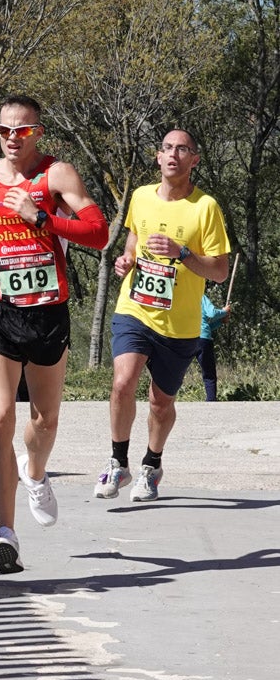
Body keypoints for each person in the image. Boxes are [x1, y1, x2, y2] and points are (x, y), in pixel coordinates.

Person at [0, 95, 109, 574]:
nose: (10, 138)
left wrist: (42, 217)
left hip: (47, 313)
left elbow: (98, 232)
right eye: (3, 129)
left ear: (37, 133)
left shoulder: (55, 176)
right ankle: (5, 532)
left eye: (21, 131)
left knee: (44, 422)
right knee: (0, 417)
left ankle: (36, 472)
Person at [94, 129, 231, 503]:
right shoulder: (140, 197)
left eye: (183, 149)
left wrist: (183, 253)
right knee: (123, 382)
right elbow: (133, 244)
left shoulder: (206, 208)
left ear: (194, 160)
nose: (174, 154)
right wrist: (126, 261)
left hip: (180, 324)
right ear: (158, 157)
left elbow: (219, 271)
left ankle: (151, 466)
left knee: (160, 401)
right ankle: (117, 462)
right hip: (135, 308)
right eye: (168, 148)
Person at [196, 293, 231, 401]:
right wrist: (225, 311)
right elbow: (211, 313)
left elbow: (206, 327)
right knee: (209, 372)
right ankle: (211, 400)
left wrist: (220, 321)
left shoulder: (183, 296)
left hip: (186, 338)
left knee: (177, 371)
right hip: (203, 340)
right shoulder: (201, 296)